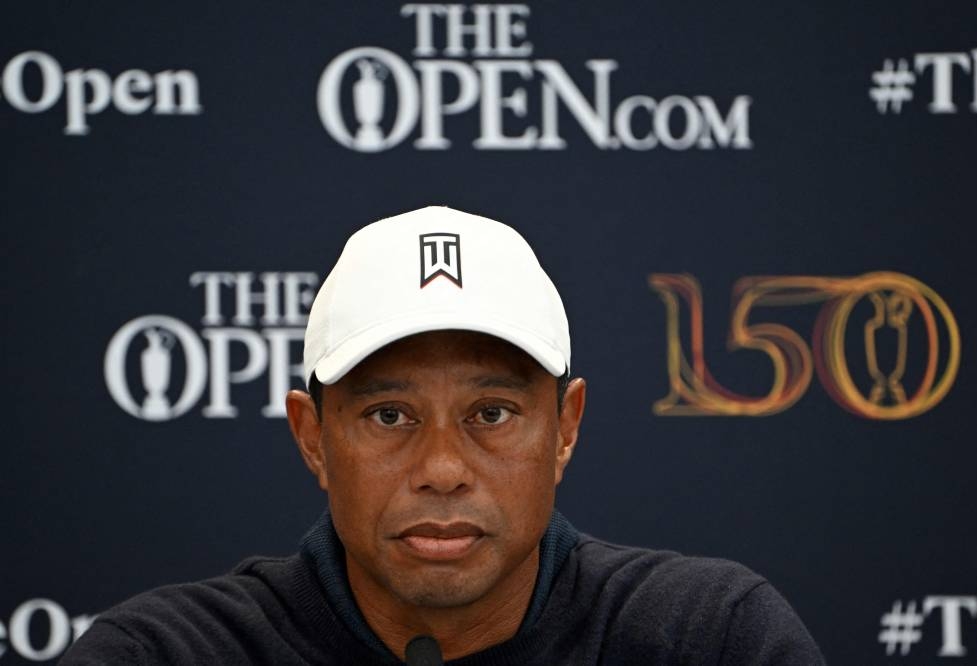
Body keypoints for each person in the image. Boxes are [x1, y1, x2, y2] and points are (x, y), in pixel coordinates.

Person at [63, 206, 825, 664]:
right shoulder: (161, 653)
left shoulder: (711, 640)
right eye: (389, 415)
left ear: (566, 428)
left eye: (490, 413)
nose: (442, 468)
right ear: (312, 437)